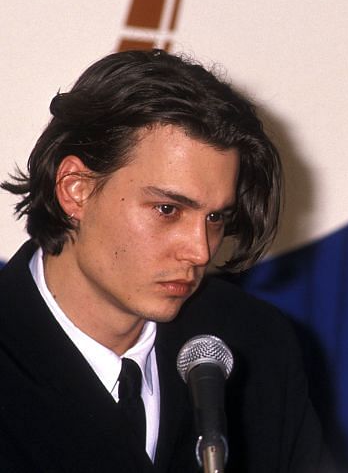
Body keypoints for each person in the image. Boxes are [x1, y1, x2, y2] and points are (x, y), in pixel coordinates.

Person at [0, 49, 328, 472]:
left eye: (215, 218)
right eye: (167, 210)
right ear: (75, 190)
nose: (200, 251)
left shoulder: (255, 344)